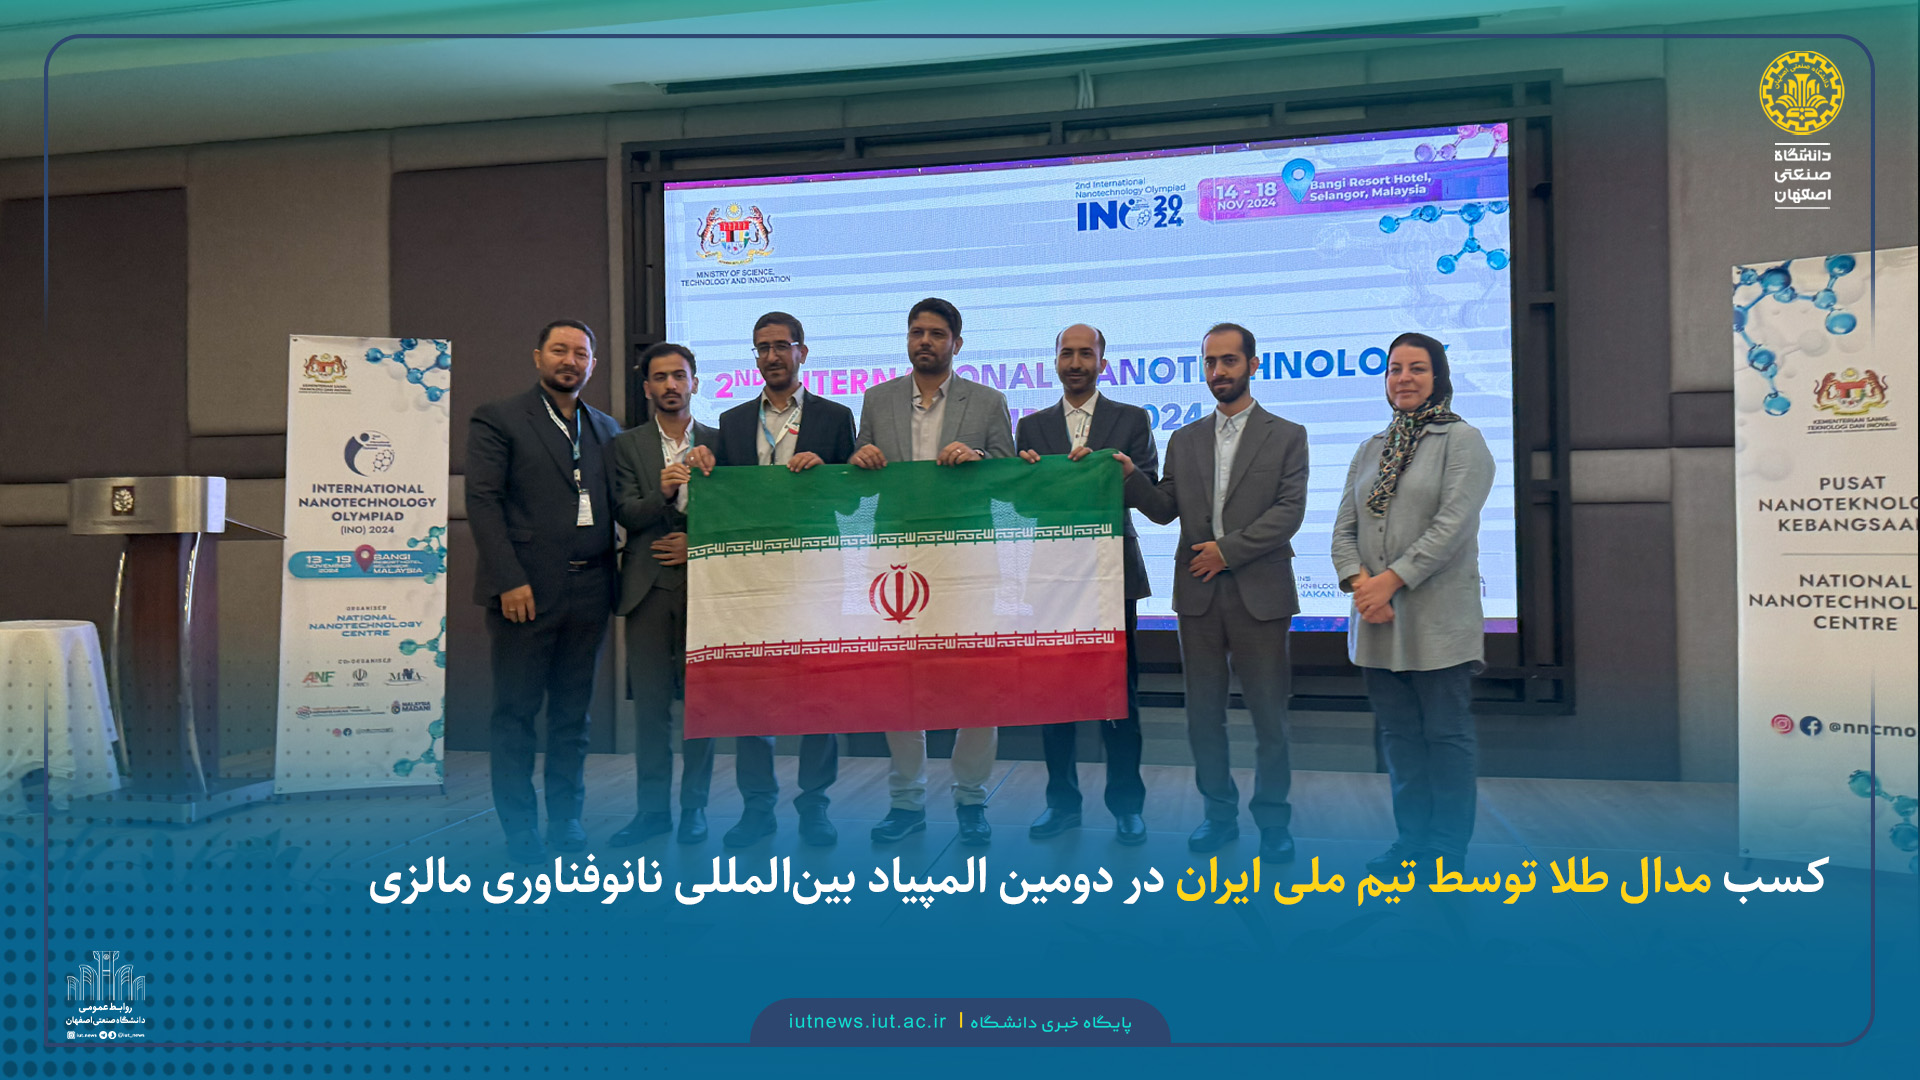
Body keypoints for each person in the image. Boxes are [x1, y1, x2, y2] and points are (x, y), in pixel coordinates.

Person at [1116, 322, 1307, 864]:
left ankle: (1274, 822)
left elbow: (1289, 513)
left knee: (1269, 719)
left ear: (1253, 365)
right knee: (1203, 717)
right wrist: (1131, 476)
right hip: (1197, 596)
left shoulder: (1287, 434)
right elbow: (1163, 510)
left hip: (1261, 593)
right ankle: (1218, 815)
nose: (1218, 371)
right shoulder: (1185, 439)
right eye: (1210, 362)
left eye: (1229, 361)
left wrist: (1227, 551)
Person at [850, 297, 1016, 846]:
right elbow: (861, 476)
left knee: (977, 686)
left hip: (968, 563)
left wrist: (978, 459)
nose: (925, 341)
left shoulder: (988, 402)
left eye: (937, 334)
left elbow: (1009, 478)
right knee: (901, 687)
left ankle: (971, 799)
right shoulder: (876, 399)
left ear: (956, 344)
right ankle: (906, 801)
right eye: (917, 332)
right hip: (897, 565)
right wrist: (860, 458)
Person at [689, 311, 857, 848]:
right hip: (752, 580)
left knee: (819, 696)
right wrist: (703, 461)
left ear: (802, 352)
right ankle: (757, 808)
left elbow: (853, 498)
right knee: (752, 697)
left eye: (782, 346)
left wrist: (828, 472)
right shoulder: (733, 421)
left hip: (815, 576)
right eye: (762, 347)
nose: (772, 356)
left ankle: (815, 805)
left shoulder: (836, 417)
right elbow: (724, 495)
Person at [1330, 332, 1495, 878]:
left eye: (1417, 368)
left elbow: (1452, 527)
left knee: (1445, 740)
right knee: (1400, 742)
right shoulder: (1370, 449)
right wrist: (1362, 585)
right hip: (1377, 624)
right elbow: (1343, 529)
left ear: (1438, 376)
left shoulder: (1463, 441)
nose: (1404, 378)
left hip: (1437, 624)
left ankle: (1447, 852)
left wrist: (1390, 582)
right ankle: (1411, 844)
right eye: (1395, 369)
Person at [466, 319, 623, 864]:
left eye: (580, 353)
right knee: (515, 715)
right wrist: (510, 579)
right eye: (559, 350)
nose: (569, 361)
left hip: (591, 589)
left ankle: (566, 820)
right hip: (525, 593)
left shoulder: (606, 428)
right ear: (538, 357)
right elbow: (483, 502)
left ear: (592, 365)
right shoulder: (500, 418)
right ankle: (520, 829)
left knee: (572, 717)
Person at [1016, 323, 1158, 845]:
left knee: (1120, 700)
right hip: (1052, 581)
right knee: (1056, 701)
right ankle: (1062, 805)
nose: (1075, 363)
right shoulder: (1031, 427)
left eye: (1085, 354)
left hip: (1112, 578)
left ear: (1103, 362)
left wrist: (1123, 473)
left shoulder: (1132, 419)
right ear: (1054, 361)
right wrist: (1026, 477)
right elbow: (1021, 506)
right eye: (1066, 354)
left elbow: (1150, 492)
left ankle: (1127, 808)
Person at [606, 343, 721, 847]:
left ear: (695, 382)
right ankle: (652, 811)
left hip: (706, 589)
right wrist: (665, 493)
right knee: (651, 709)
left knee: (701, 706)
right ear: (647, 387)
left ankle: (695, 808)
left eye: (679, 375)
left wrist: (696, 543)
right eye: (660, 377)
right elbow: (626, 512)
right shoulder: (625, 445)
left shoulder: (721, 440)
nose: (670, 385)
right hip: (647, 590)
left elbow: (737, 512)